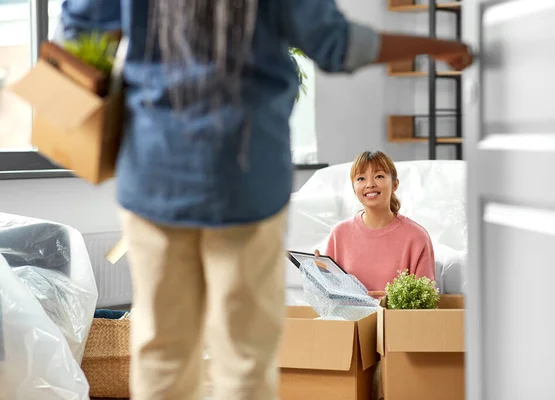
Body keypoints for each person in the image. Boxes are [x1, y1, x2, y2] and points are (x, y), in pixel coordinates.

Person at [57, 1, 471, 399]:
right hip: (245, 176)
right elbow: (336, 43)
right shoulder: (346, 231)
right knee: (245, 354)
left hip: (157, 173)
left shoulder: (411, 235)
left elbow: (79, 32)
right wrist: (434, 46)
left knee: (162, 349)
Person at [316, 151, 436, 297]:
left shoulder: (417, 237)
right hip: (350, 320)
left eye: (379, 176)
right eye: (361, 178)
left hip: (397, 320)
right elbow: (329, 298)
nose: (370, 184)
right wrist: (318, 276)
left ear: (395, 184)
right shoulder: (339, 234)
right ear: (354, 188)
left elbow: (426, 302)